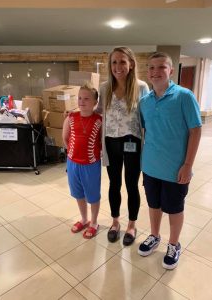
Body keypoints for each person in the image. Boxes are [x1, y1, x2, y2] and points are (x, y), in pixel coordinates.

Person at [138, 52, 202, 269]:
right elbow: (145, 131)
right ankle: (155, 236)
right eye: (152, 68)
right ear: (147, 72)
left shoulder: (184, 96)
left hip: (176, 169)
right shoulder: (144, 101)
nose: (156, 72)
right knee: (154, 205)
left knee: (174, 208)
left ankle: (174, 244)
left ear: (171, 71)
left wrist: (187, 165)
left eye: (161, 67)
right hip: (150, 166)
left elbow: (195, 131)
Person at [97, 46, 149, 246]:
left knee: (131, 184)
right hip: (111, 142)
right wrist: (78, 111)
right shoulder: (104, 88)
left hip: (132, 142)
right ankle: (115, 222)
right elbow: (100, 109)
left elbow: (148, 114)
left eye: (122, 62)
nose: (118, 66)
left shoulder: (141, 86)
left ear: (131, 64)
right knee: (114, 184)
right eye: (114, 62)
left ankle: (132, 225)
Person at [63, 82, 102, 239]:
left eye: (86, 98)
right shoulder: (71, 117)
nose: (82, 101)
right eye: (79, 98)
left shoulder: (99, 120)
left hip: (91, 165)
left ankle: (94, 222)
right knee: (78, 193)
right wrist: (72, 154)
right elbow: (65, 138)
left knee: (92, 195)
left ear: (95, 102)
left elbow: (102, 143)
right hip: (73, 163)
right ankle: (84, 219)